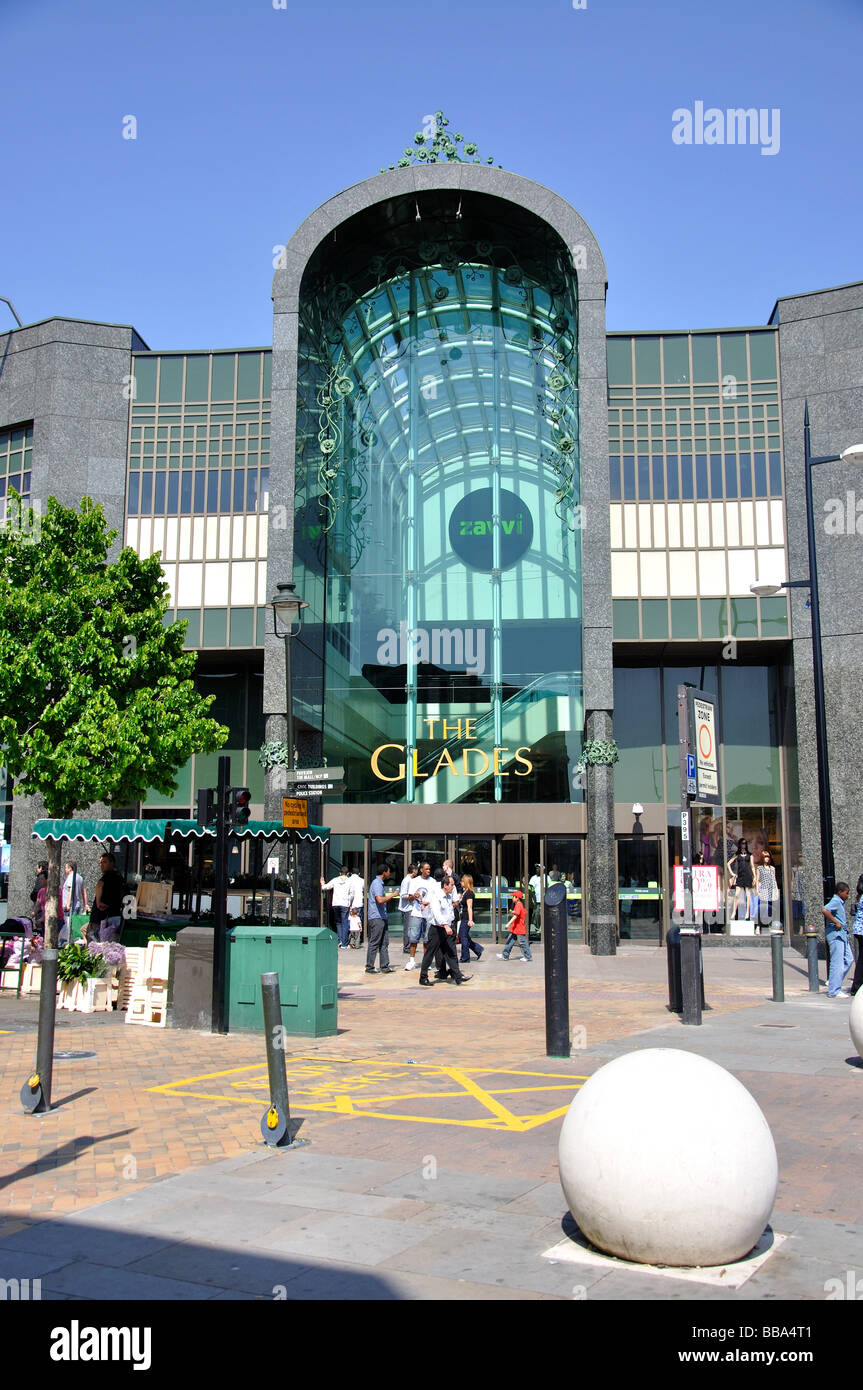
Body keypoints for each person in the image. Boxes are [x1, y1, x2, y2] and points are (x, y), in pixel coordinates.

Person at [418, 874, 470, 986]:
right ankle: (423, 977)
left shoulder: (449, 896)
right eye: (451, 885)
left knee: (451, 953)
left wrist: (450, 925)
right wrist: (445, 925)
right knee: (430, 953)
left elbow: (450, 912)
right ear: (445, 885)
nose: (453, 887)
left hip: (448, 929)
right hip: (437, 929)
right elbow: (436, 913)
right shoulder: (437, 896)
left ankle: (457, 976)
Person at [365, 865, 399, 974]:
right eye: (389, 871)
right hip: (376, 917)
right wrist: (393, 895)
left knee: (384, 942)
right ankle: (369, 967)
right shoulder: (377, 884)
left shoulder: (380, 884)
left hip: (382, 917)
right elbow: (379, 900)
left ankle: (384, 966)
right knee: (374, 942)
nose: (389, 873)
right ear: (384, 872)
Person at [822, 882, 853, 999]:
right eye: (846, 893)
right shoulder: (835, 901)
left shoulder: (840, 902)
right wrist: (836, 922)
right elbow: (825, 910)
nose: (848, 896)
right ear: (840, 892)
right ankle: (834, 990)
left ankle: (834, 980)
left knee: (849, 959)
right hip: (836, 935)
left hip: (843, 935)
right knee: (837, 962)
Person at [90, 851, 125, 942]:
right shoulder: (116, 876)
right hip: (105, 916)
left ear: (112, 863)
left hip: (103, 916)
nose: (101, 865)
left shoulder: (111, 876)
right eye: (100, 863)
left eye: (104, 862)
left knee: (96, 941)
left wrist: (98, 902)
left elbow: (99, 885)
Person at [320, 866, 353, 949]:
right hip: (345, 904)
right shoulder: (349, 881)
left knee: (338, 923)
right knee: (344, 923)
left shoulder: (335, 879)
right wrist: (350, 902)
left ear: (340, 873)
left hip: (336, 904)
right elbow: (352, 894)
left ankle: (339, 940)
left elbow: (325, 887)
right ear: (347, 873)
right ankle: (344, 943)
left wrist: (323, 883)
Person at [497, 888, 532, 962]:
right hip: (515, 928)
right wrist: (513, 912)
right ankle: (505, 955)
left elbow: (516, 916)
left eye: (513, 897)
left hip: (519, 928)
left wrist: (508, 924)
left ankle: (528, 957)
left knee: (523, 942)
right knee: (510, 941)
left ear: (517, 898)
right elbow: (519, 913)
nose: (512, 898)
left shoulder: (519, 905)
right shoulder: (518, 905)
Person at [457, 873, 483, 963]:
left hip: (467, 918)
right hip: (463, 917)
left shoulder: (469, 893)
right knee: (464, 936)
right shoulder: (465, 892)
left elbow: (469, 907)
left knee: (462, 936)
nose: (461, 882)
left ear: (466, 882)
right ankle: (478, 949)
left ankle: (465, 957)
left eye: (462, 881)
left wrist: (470, 920)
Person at [727, 838, 754, 921]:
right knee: (737, 894)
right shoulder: (737, 854)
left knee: (748, 895)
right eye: (742, 843)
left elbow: (752, 866)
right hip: (740, 876)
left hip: (748, 875)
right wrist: (732, 873)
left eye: (745, 843)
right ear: (740, 844)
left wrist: (755, 877)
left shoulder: (750, 855)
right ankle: (734, 911)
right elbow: (728, 863)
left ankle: (747, 912)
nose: (744, 845)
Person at [755, 851, 779, 931]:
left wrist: (776, 890)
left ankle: (770, 925)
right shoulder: (760, 868)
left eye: (768, 857)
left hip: (771, 889)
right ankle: (758, 926)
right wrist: (758, 891)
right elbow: (758, 880)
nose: (767, 859)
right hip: (764, 889)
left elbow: (774, 880)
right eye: (765, 857)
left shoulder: (772, 868)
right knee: (762, 908)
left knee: (770, 908)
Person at [399, 863, 420, 954]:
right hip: (407, 908)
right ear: (414, 870)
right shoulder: (406, 880)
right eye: (417, 870)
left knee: (410, 927)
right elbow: (403, 894)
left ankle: (409, 945)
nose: (417, 871)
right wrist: (412, 897)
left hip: (410, 907)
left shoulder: (411, 880)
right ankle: (407, 946)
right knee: (407, 928)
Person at [850, 874, 863, 997]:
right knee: (862, 960)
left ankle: (857, 986)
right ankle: (857, 986)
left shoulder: (860, 896)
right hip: (862, 931)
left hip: (859, 930)